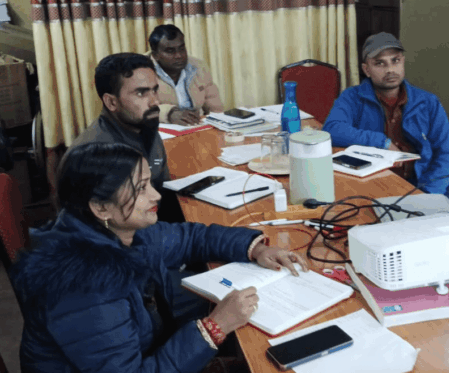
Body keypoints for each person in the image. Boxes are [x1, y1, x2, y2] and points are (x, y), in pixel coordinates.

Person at [11, 142, 308, 373]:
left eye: (149, 183)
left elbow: (191, 238)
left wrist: (256, 248)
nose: (156, 196)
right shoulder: (83, 287)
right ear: (101, 208)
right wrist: (214, 327)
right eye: (140, 189)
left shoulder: (116, 230)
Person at [323, 32, 449, 218]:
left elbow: (447, 153)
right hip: (374, 185)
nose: (390, 69)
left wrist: (428, 194)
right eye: (380, 63)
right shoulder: (352, 97)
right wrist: (381, 142)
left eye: (395, 61)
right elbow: (332, 129)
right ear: (366, 69)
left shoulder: (428, 102)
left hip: (426, 183)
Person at [69, 52, 186, 222]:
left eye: (155, 90)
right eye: (141, 93)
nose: (155, 102)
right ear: (111, 102)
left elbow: (163, 191)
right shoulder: (98, 154)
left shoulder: (144, 126)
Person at [149, 24, 224, 126]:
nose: (179, 55)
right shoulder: (140, 71)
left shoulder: (198, 66)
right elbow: (138, 108)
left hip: (195, 127)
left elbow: (215, 106)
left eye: (181, 48)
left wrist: (221, 125)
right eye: (170, 51)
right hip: (160, 131)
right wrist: (169, 114)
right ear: (155, 55)